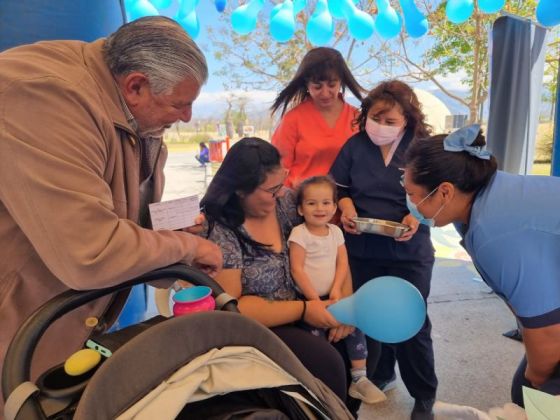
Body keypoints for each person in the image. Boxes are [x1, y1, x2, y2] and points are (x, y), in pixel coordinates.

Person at [0, 16, 222, 407]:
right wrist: (184, 249)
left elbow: (123, 218)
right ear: (135, 85)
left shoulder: (137, 115)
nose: (187, 118)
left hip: (59, 328)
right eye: (179, 104)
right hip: (14, 330)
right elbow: (90, 253)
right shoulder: (44, 95)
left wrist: (170, 233)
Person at [403, 124, 560, 408]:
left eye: (413, 195)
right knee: (525, 393)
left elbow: (549, 339)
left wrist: (540, 385)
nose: (410, 203)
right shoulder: (486, 199)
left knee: (536, 397)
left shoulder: (495, 234)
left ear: (445, 192)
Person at [200, 137, 355, 403]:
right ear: (240, 190)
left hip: (314, 303)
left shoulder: (288, 205)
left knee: (362, 350)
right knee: (327, 363)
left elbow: (333, 247)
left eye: (281, 184)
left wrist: (347, 304)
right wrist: (305, 310)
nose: (281, 194)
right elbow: (233, 307)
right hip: (265, 325)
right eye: (271, 190)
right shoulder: (222, 230)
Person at [329, 80, 438, 419]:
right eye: (376, 117)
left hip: (410, 251)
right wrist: (346, 208)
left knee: (411, 320)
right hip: (362, 246)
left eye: (391, 121)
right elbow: (340, 187)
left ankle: (424, 395)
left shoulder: (422, 149)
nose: (382, 126)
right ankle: (379, 373)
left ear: (408, 120)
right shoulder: (354, 146)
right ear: (366, 116)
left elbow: (439, 193)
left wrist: (417, 213)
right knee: (371, 316)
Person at [288, 175, 386, 405]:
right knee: (318, 338)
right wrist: (315, 300)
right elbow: (297, 270)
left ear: (334, 207)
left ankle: (359, 379)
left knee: (356, 329)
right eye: (311, 203)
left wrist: (337, 293)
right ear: (301, 209)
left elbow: (342, 263)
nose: (319, 208)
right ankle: (320, 387)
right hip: (310, 298)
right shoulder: (299, 234)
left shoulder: (335, 232)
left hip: (335, 295)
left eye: (326, 202)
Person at [270, 47, 366, 189]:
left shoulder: (356, 117)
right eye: (317, 86)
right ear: (306, 84)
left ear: (341, 82)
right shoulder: (292, 119)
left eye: (332, 85)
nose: (325, 93)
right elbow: (277, 169)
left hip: (347, 205)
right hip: (303, 205)